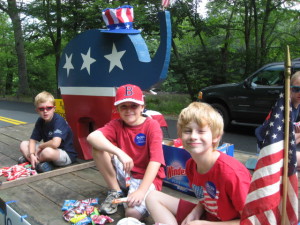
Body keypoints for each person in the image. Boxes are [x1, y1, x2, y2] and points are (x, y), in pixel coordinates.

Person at [146, 102, 252, 225]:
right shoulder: (191, 165)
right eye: (188, 131)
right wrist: (195, 211)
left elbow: (252, 221)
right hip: (209, 215)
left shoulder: (231, 173)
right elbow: (206, 197)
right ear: (180, 136)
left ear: (216, 136)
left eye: (201, 131)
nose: (193, 136)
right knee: (152, 196)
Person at [87, 84, 166, 220]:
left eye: (133, 105)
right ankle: (116, 190)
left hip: (145, 177)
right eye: (124, 106)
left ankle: (139, 196)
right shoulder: (116, 124)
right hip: (127, 171)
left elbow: (156, 161)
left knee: (132, 214)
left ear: (142, 106)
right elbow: (92, 137)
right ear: (117, 108)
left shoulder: (152, 126)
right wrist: (120, 153)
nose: (129, 110)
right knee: (98, 147)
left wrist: (141, 191)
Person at [18, 91, 77, 173]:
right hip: (47, 149)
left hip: (64, 154)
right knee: (23, 144)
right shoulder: (40, 121)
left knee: (47, 151)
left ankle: (34, 162)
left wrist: (40, 146)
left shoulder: (58, 120)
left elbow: (55, 143)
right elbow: (32, 140)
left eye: (48, 108)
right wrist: (31, 154)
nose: (45, 111)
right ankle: (34, 160)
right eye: (41, 109)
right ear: (37, 110)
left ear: (54, 108)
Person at [255, 71, 300, 167]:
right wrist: (294, 126)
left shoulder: (297, 104)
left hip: (277, 141)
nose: (299, 93)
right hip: (267, 146)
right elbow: (278, 127)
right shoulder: (284, 106)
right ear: (290, 89)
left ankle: (288, 155)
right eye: (296, 89)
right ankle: (281, 159)